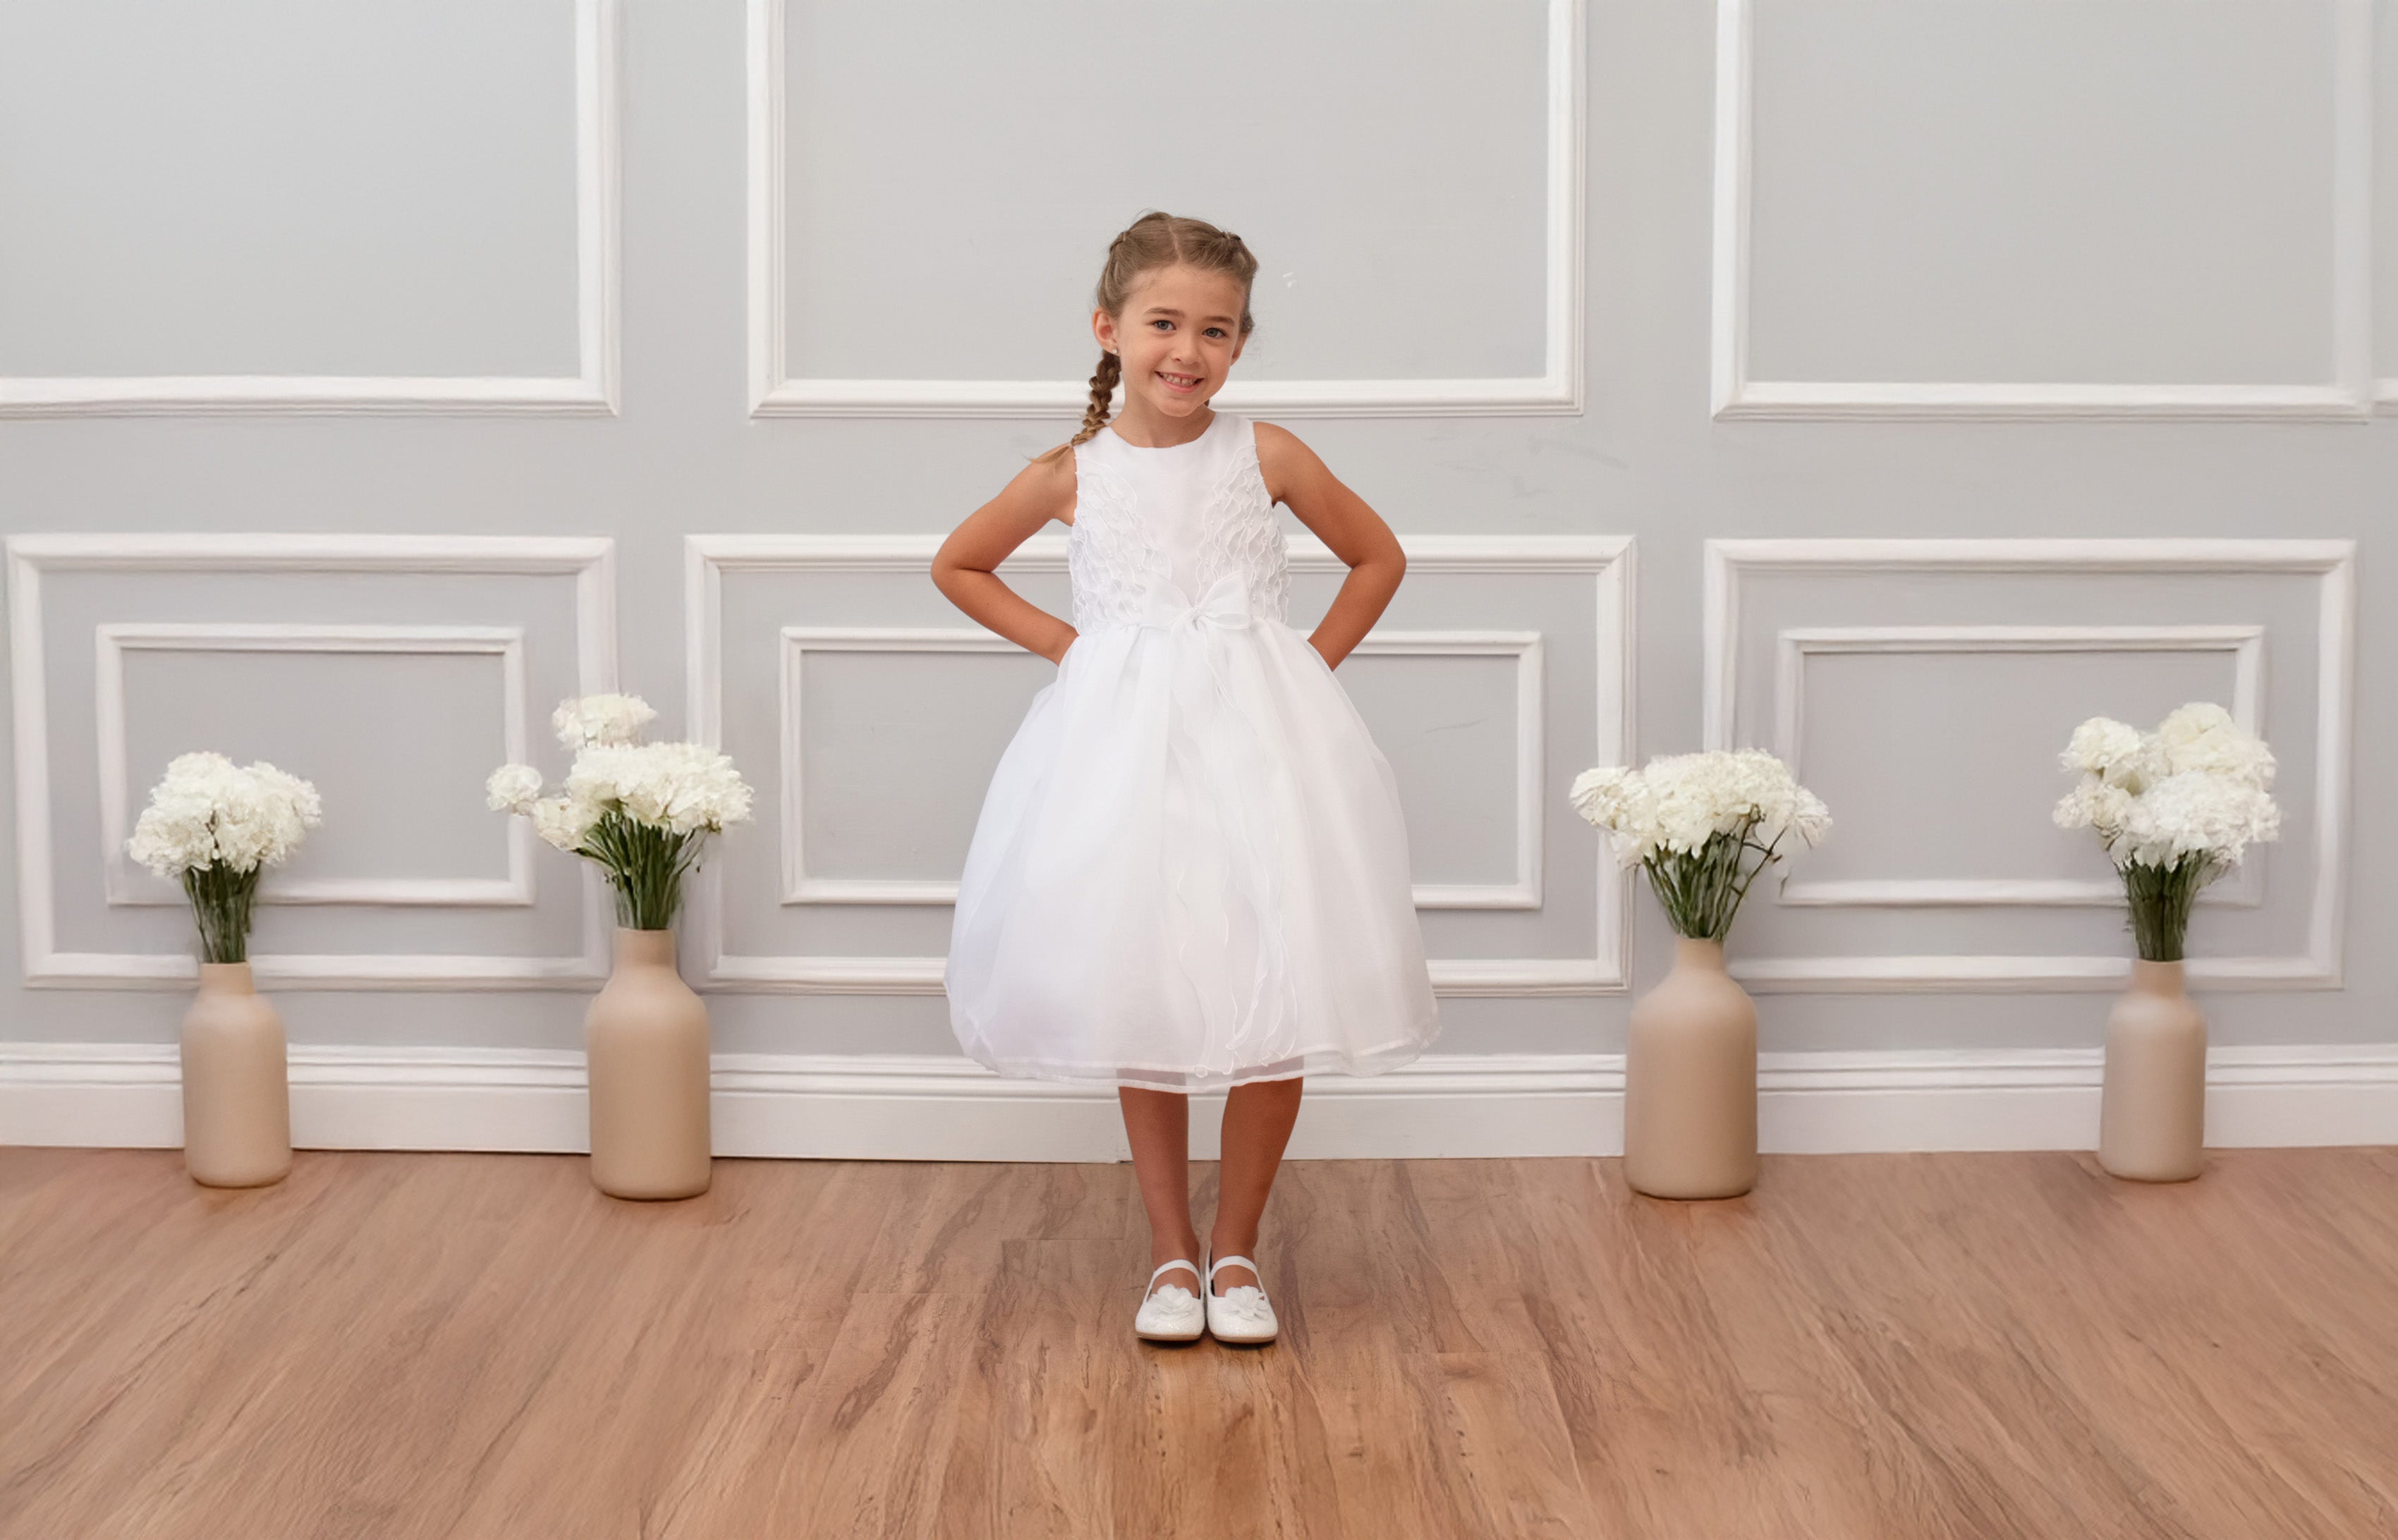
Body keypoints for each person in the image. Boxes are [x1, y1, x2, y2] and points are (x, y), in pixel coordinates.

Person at [931, 211, 1440, 1346]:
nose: (1188, 351)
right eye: (1164, 324)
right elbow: (958, 563)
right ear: (1108, 329)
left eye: (1217, 331)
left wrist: (1302, 670)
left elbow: (1378, 556)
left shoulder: (1268, 456)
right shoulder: (1072, 474)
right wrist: (1073, 648)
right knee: (1144, 981)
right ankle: (1172, 1252)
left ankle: (1238, 1248)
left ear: (1241, 343)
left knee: (1281, 979)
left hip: (1265, 755)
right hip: (1125, 760)